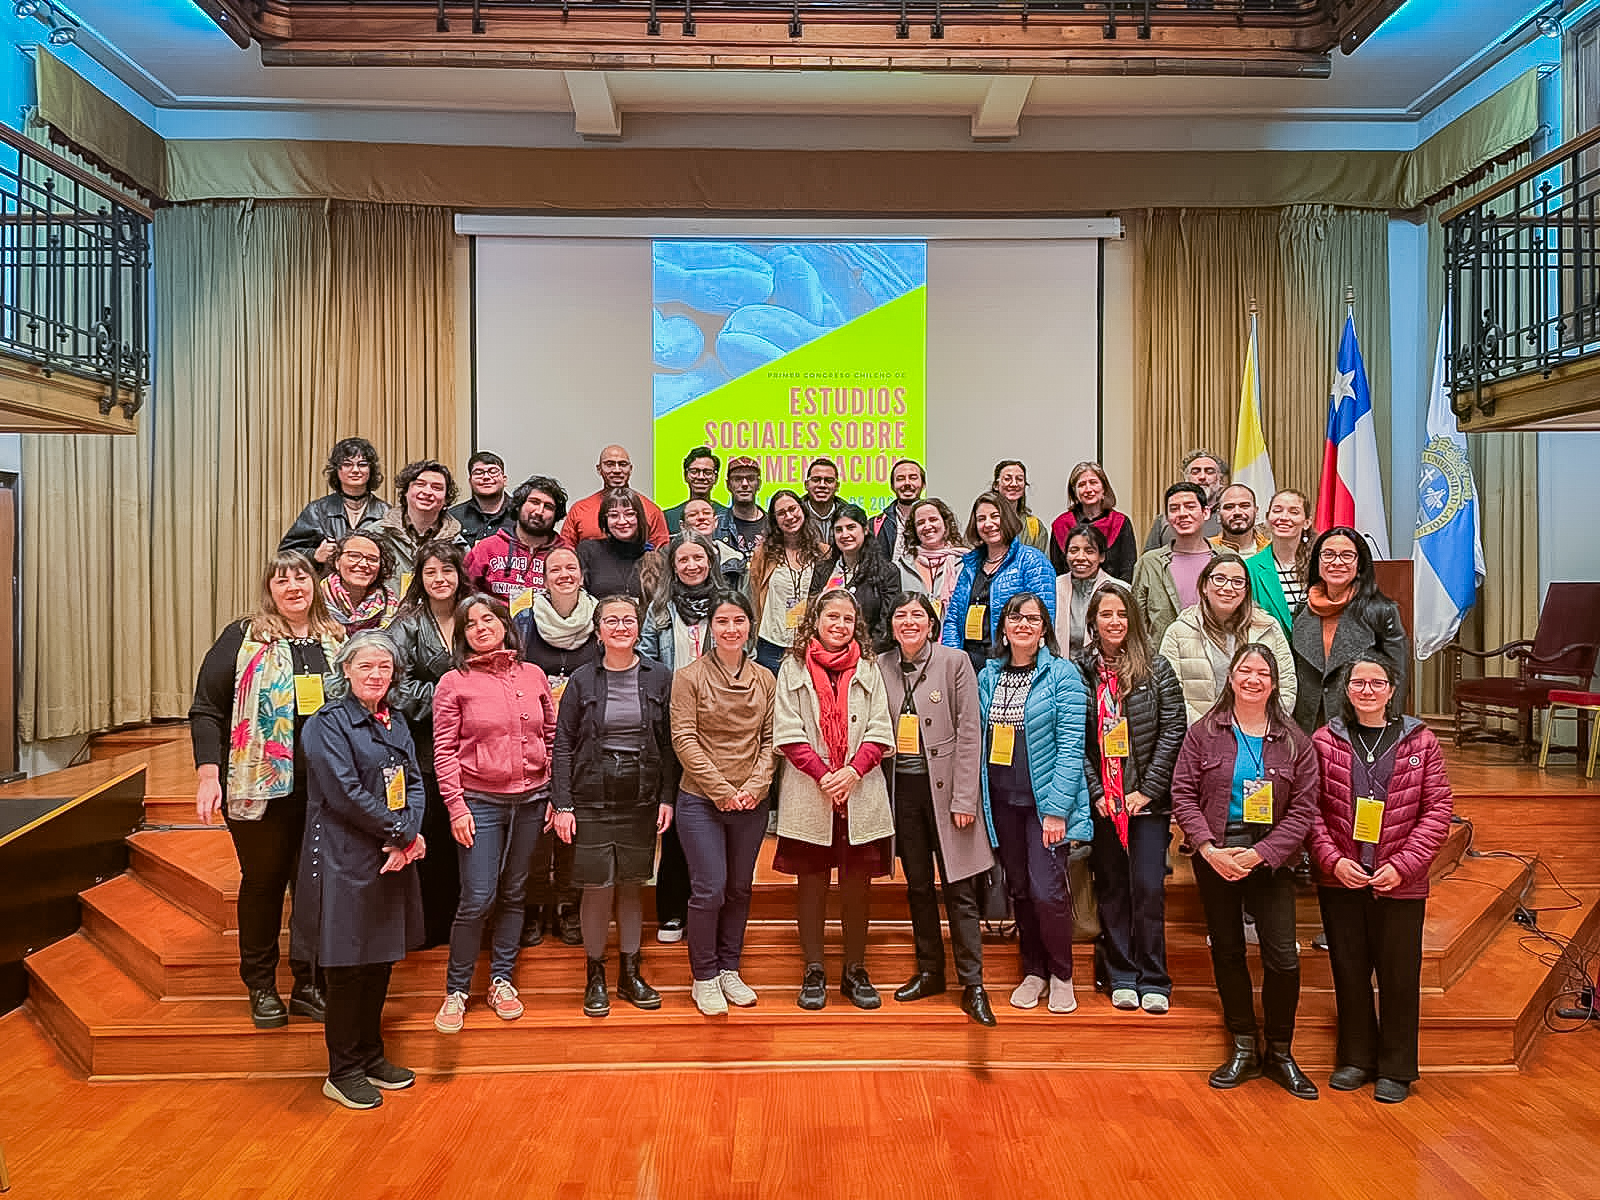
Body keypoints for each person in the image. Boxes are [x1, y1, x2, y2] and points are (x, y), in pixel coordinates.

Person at [189, 551, 345, 1030]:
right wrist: (207, 773)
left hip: (324, 788)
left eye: (302, 577)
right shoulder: (244, 636)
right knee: (263, 882)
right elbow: (206, 708)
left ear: (316, 584)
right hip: (258, 782)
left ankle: (308, 983)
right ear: (269, 589)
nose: (294, 586)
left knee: (313, 887)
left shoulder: (336, 639)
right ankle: (260, 985)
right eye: (282, 580)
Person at [1170, 643, 1321, 1099]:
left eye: (1263, 673)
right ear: (1231, 678)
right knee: (1228, 951)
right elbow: (1182, 794)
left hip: (1270, 859)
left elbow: (1303, 812)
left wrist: (1260, 855)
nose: (1253, 679)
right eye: (1245, 671)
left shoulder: (1295, 740)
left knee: (1283, 958)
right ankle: (1242, 1046)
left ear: (1274, 684)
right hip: (1216, 854)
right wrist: (1210, 850)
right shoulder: (1204, 733)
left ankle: (1280, 1050)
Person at [1311, 654, 1455, 1104]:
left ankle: (1396, 1066)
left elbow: (1437, 811)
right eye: (1359, 682)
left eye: (1377, 683)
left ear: (1392, 690)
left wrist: (1405, 864)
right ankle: (1355, 1058)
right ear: (1347, 690)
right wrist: (1333, 861)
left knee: (1398, 975)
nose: (1367, 690)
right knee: (1349, 971)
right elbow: (1310, 811)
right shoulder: (1324, 741)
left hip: (1400, 881)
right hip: (1343, 879)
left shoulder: (1421, 741)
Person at [296, 630, 425, 1110]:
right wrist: (403, 833)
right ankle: (342, 1068)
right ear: (346, 671)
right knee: (348, 967)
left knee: (379, 960)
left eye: (384, 668)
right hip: (345, 856)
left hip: (391, 854)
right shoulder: (327, 723)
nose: (376, 675)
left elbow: (414, 781)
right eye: (366, 667)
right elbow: (343, 792)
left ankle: (371, 1055)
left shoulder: (394, 722)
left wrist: (405, 833)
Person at [431, 595, 557, 1034]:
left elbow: (554, 734)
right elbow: (443, 750)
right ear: (462, 635)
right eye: (470, 624)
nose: (481, 628)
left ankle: (502, 980)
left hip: (532, 800)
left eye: (489, 619)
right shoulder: (453, 682)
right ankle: (457, 989)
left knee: (514, 891)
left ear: (505, 624)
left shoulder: (534, 674)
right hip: (479, 801)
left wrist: (554, 794)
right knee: (478, 896)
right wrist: (456, 806)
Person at [550, 594, 677, 1017]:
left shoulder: (660, 676)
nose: (621, 627)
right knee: (597, 888)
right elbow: (563, 744)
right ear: (598, 629)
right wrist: (562, 804)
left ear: (639, 627)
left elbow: (668, 744)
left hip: (640, 796)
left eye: (628, 620)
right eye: (611, 621)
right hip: (590, 796)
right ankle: (595, 975)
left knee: (631, 886)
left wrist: (666, 798)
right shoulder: (584, 679)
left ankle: (630, 974)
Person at [774, 588, 895, 1011]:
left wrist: (851, 772)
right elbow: (787, 732)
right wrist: (826, 776)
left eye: (847, 619)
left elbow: (881, 730)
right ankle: (814, 969)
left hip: (859, 790)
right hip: (811, 791)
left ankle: (854, 970)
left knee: (856, 888)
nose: (839, 625)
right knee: (810, 885)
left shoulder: (870, 667)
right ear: (817, 621)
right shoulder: (791, 667)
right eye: (832, 617)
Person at [879, 593, 996, 1026]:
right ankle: (930, 971)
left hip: (948, 794)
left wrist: (965, 798)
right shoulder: (881, 664)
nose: (909, 622)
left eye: (917, 615)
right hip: (903, 792)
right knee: (918, 887)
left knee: (960, 890)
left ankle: (974, 984)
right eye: (900, 615)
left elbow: (970, 732)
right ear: (891, 624)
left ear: (931, 622)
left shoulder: (955, 662)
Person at [977, 592, 1091, 1015]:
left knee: (1048, 891)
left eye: (1032, 618)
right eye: (1014, 617)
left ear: (1044, 629)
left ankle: (1062, 973)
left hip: (1046, 805)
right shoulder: (988, 676)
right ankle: (1033, 971)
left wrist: (1058, 808)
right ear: (1003, 629)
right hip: (1002, 801)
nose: (1022, 624)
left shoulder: (1063, 675)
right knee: (1020, 889)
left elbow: (1071, 746)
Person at [1077, 583, 1185, 1013]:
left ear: (1134, 621)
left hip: (1147, 806)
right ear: (1093, 622)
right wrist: (1096, 792)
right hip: (1105, 805)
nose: (1115, 622)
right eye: (1106, 614)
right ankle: (1121, 972)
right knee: (1113, 888)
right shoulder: (1078, 672)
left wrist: (1147, 790)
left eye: (1122, 614)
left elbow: (1173, 731)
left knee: (1147, 888)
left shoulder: (1157, 669)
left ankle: (1153, 975)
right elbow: (1075, 740)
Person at [669, 591, 778, 1015]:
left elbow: (771, 740)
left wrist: (754, 786)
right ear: (709, 629)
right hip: (701, 800)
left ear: (750, 626)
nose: (731, 629)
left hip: (752, 801)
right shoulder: (689, 676)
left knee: (739, 887)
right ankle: (704, 975)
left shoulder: (765, 679)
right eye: (722, 622)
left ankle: (730, 968)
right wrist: (722, 790)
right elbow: (684, 739)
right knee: (709, 888)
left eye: (738, 621)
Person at [639, 532, 725, 945]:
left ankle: (712, 906)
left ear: (710, 560)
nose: (691, 565)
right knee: (677, 819)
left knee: (716, 819)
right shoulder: (659, 609)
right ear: (673, 566)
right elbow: (647, 662)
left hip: (723, 721)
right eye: (683, 559)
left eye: (698, 557)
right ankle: (672, 909)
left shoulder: (728, 607)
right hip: (674, 722)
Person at [513, 545, 598, 948]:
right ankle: (533, 906)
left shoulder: (599, 617)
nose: (564, 574)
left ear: (582, 574)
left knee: (574, 824)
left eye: (571, 567)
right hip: (531, 732)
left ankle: (568, 904)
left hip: (585, 734)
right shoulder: (525, 619)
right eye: (554, 569)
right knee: (535, 824)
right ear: (542, 578)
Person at [390, 543, 472, 947]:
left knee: (464, 839)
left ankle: (463, 923)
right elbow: (393, 684)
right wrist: (447, 696)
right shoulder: (406, 624)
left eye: (447, 571)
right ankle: (426, 927)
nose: (440, 579)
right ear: (419, 580)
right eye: (431, 573)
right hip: (422, 748)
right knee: (430, 836)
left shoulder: (475, 614)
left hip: (473, 747)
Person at [1291, 526, 1409, 733]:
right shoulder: (1303, 609)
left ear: (1360, 563)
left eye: (1347, 555)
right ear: (1317, 562)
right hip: (1306, 726)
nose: (1337, 562)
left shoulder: (1382, 611)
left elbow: (1397, 676)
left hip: (1359, 724)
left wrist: (1390, 725)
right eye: (1328, 554)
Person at [1159, 553, 1296, 726]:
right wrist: (1207, 730)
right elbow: (1170, 694)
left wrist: (1261, 726)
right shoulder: (1178, 631)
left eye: (1238, 582)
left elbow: (1286, 686)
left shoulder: (1268, 628)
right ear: (1204, 586)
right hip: (1198, 736)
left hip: (1259, 735)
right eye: (1219, 578)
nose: (1228, 587)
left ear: (1246, 590)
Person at [941, 491, 1056, 676]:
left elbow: (1044, 619)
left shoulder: (1032, 561)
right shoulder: (969, 566)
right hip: (969, 665)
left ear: (1008, 518)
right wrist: (955, 661)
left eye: (995, 516)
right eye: (981, 518)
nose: (988, 524)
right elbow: (953, 619)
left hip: (1014, 664)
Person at [748, 488, 830, 675]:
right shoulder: (764, 554)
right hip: (771, 644)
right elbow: (753, 594)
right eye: (781, 513)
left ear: (802, 510)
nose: (789, 516)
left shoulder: (824, 552)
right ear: (775, 520)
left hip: (811, 642)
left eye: (793, 509)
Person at [279, 436, 390, 569]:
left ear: (370, 470)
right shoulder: (318, 510)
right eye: (347, 464)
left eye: (362, 464)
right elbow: (285, 554)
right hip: (326, 587)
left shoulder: (386, 513)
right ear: (337, 469)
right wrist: (314, 555)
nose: (355, 470)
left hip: (373, 586)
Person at [1130, 481, 1216, 650]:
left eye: (1190, 506)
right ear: (1167, 517)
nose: (1182, 514)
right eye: (1174, 508)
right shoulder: (1149, 563)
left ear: (1206, 512)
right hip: (1163, 661)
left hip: (1218, 658)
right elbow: (1137, 621)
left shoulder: (1226, 559)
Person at [810, 503, 903, 652]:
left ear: (865, 529)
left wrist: (863, 654)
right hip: (825, 654)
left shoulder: (887, 572)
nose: (845, 534)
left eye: (851, 527)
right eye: (839, 530)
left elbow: (886, 624)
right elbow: (812, 612)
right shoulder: (823, 569)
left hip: (868, 656)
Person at [463, 474, 567, 602]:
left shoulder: (565, 554)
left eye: (548, 507)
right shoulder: (486, 549)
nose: (539, 512)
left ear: (556, 515)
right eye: (534, 502)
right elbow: (464, 595)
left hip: (548, 621)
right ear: (519, 505)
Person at [376, 459, 464, 594]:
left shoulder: (459, 545)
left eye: (437, 488)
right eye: (420, 484)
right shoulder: (375, 535)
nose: (427, 492)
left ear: (446, 498)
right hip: (386, 613)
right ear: (405, 491)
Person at [562, 444, 671, 547]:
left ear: (630, 469)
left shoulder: (652, 510)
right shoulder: (579, 509)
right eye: (609, 464)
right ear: (599, 469)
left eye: (623, 464)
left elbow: (662, 554)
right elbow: (565, 553)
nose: (617, 470)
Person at [1050, 461, 1137, 582]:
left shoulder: (1120, 522)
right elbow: (1057, 569)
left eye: (1093, 482)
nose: (1088, 489)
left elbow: (1127, 568)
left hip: (1112, 594)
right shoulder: (1061, 524)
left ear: (1104, 489)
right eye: (1081, 485)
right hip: (1070, 594)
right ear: (1074, 493)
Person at [1246, 488, 1314, 637]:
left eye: (1294, 512)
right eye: (1277, 510)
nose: (1284, 517)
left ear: (1307, 522)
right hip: (1272, 654)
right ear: (1267, 518)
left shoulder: (1320, 565)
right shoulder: (1250, 568)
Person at [893, 497, 967, 618]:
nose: (927, 526)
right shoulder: (900, 567)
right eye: (920, 523)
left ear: (945, 523)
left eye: (933, 519)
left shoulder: (964, 563)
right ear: (914, 530)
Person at [576, 488, 654, 600]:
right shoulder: (588, 551)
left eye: (629, 514)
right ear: (604, 520)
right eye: (613, 515)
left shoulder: (653, 557)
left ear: (639, 517)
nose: (622, 521)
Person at [1053, 522, 1116, 656]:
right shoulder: (1053, 588)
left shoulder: (1118, 590)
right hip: (1060, 671)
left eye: (1089, 551)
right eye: (1074, 551)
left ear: (1101, 557)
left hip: (1105, 670)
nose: (1080, 557)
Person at [1143, 449, 1227, 549]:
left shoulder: (1228, 517)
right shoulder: (1164, 520)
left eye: (1209, 472)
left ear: (1220, 479)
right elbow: (1150, 560)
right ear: (1186, 478)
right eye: (1195, 472)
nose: (1202, 477)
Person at [318, 532, 399, 633]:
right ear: (337, 562)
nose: (363, 564)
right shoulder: (315, 599)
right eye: (354, 556)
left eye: (372, 559)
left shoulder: (389, 603)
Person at [449, 451, 516, 546]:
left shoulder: (520, 514)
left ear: (504, 480)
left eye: (493, 472)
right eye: (479, 473)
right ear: (470, 482)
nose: (486, 477)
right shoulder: (453, 517)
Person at [681, 498, 747, 592]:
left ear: (715, 522)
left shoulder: (736, 559)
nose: (701, 518)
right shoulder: (669, 558)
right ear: (682, 526)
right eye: (693, 515)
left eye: (706, 513)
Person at [992, 459, 1051, 554]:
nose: (1014, 484)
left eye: (1019, 479)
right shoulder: (984, 522)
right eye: (1007, 479)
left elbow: (1042, 564)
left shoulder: (1034, 526)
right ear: (996, 485)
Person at [712, 454, 767, 556]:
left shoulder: (774, 525)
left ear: (759, 484)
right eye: (737, 479)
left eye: (750, 478)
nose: (745, 484)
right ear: (728, 484)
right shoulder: (715, 527)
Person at [872, 458, 926, 558]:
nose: (907, 483)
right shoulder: (875, 525)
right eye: (900, 479)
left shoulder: (937, 522)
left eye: (913, 478)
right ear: (892, 486)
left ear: (923, 484)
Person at [664, 446, 725, 534]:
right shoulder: (669, 517)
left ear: (716, 478)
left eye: (707, 472)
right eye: (694, 471)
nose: (701, 477)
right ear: (685, 475)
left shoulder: (727, 516)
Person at [1208, 483, 1270, 557]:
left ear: (1256, 511)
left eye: (1244, 506)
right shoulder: (1207, 549)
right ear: (1218, 514)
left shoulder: (1271, 549)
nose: (1237, 512)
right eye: (1229, 507)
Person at [800, 457, 843, 543]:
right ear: (806, 485)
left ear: (837, 486)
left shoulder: (849, 516)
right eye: (816, 480)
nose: (822, 485)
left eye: (829, 480)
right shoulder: (794, 517)